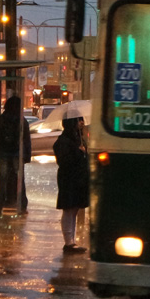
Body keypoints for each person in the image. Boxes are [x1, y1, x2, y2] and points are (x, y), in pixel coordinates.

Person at [53, 108, 89, 253]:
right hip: (69, 179)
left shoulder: (77, 138)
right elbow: (65, 161)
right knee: (69, 209)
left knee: (74, 209)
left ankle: (71, 241)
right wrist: (79, 153)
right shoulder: (64, 141)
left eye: (82, 120)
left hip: (77, 179)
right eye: (78, 120)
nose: (81, 123)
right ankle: (69, 242)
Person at [0, 95, 31, 215]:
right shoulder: (21, 120)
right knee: (20, 180)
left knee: (2, 180)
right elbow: (26, 140)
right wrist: (26, 156)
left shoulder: (0, 120)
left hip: (3, 154)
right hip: (17, 155)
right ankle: (22, 206)